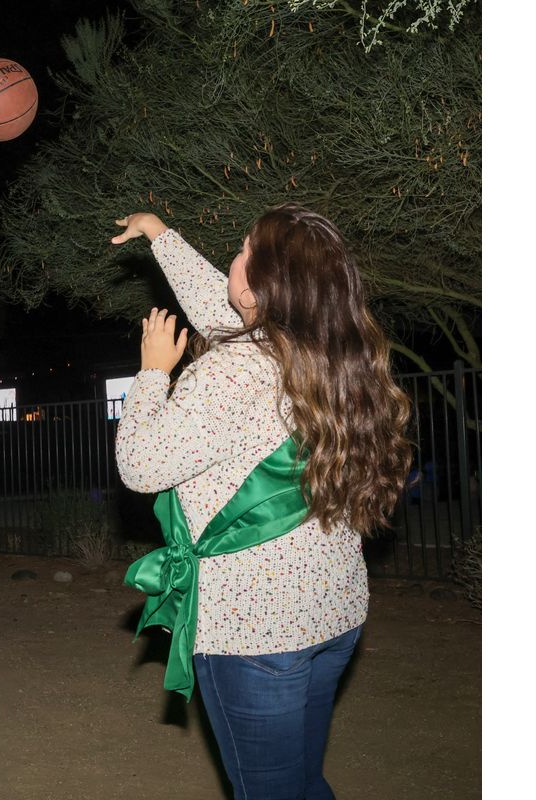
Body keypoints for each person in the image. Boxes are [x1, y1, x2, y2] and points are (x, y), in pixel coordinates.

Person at [111, 205, 411, 800]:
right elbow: (225, 307)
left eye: (244, 249)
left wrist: (152, 374)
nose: (234, 254)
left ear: (264, 285)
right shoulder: (333, 357)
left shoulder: (231, 374)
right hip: (333, 614)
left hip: (255, 638)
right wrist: (159, 235)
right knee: (304, 782)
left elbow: (141, 465)